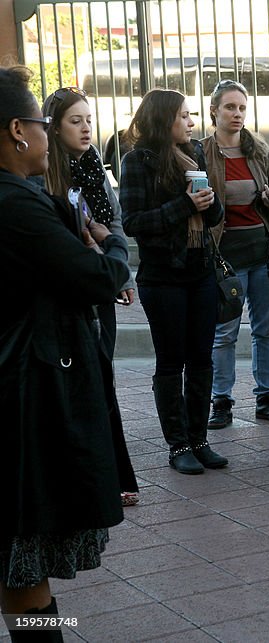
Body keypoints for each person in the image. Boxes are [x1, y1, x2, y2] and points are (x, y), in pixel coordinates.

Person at [1, 65, 129, 640]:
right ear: (17, 131)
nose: (49, 133)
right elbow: (96, 278)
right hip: (21, 401)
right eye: (43, 122)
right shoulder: (15, 204)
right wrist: (113, 244)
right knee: (25, 573)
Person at [41, 85, 141, 507]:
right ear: (53, 127)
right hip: (68, 286)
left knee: (103, 375)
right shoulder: (43, 172)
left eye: (88, 120)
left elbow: (112, 223)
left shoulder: (94, 168)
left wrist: (121, 277)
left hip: (101, 280)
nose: (85, 129)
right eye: (75, 121)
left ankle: (116, 475)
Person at [120, 89, 229, 474]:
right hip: (163, 277)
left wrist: (208, 201)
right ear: (164, 119)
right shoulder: (137, 161)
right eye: (184, 115)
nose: (191, 122)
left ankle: (200, 440)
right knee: (171, 361)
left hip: (199, 271)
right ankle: (178, 444)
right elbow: (134, 223)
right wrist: (184, 205)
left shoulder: (196, 153)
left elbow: (214, 215)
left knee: (201, 358)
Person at [202, 79, 269, 429]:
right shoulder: (202, 152)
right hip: (226, 257)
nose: (237, 114)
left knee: (265, 329)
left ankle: (267, 396)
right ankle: (221, 400)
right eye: (230, 107)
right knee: (224, 332)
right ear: (214, 111)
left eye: (241, 108)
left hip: (262, 251)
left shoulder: (257, 149)